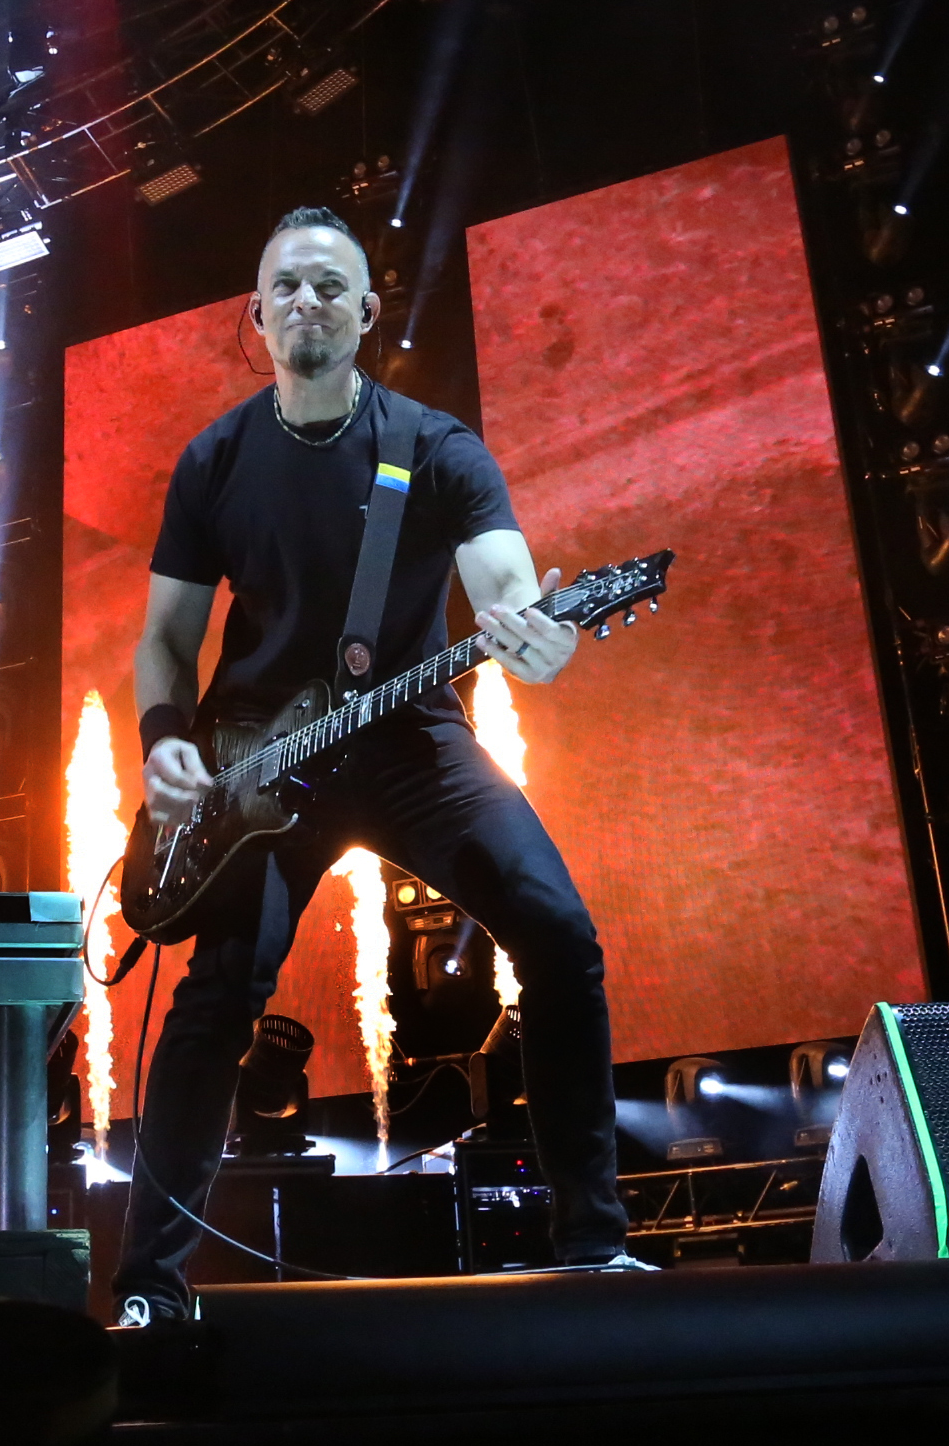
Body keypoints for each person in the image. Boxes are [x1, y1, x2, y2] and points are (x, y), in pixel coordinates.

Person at [113, 206, 645, 1326]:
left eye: (329, 287)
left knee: (558, 935)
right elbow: (165, 636)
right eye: (285, 287)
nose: (306, 302)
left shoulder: (434, 447)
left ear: (366, 313)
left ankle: (593, 1249)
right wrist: (165, 740)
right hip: (256, 765)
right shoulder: (213, 460)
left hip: (409, 740)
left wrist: (533, 633)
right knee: (216, 997)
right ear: (255, 316)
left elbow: (504, 584)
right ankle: (149, 1288)